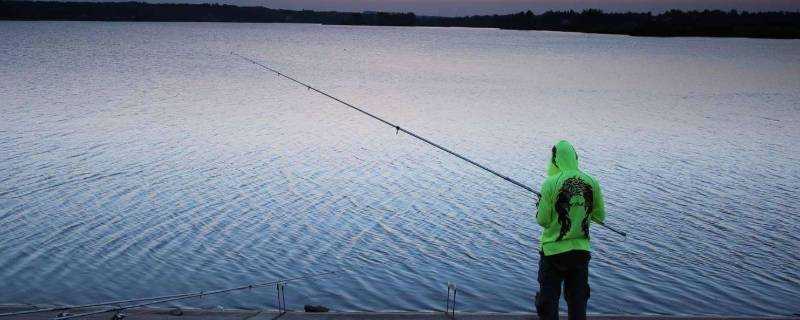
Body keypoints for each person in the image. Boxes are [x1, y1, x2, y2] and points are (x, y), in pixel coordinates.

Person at [535, 140, 605, 320]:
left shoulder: (550, 183)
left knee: (548, 303)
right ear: (575, 157)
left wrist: (540, 204)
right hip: (581, 252)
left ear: (555, 159)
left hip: (553, 252)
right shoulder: (592, 182)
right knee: (578, 303)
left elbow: (542, 220)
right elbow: (599, 217)